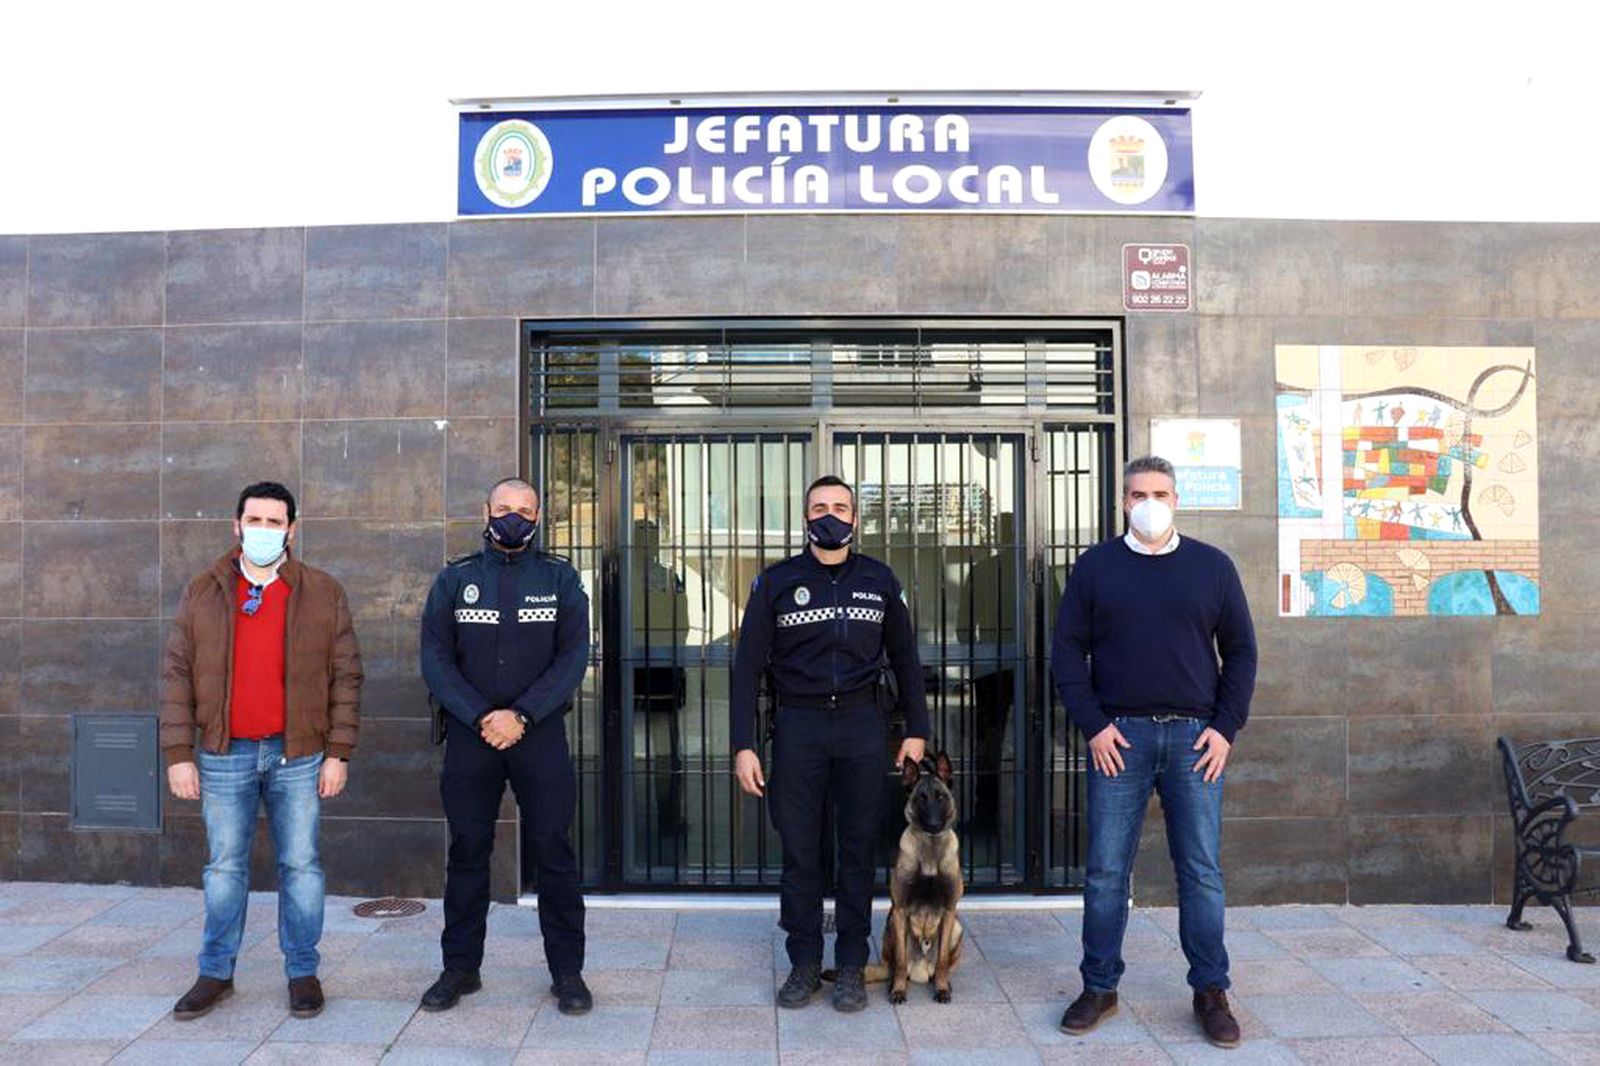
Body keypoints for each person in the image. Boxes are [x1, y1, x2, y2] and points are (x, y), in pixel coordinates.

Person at [1051, 455, 1257, 1049]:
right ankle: (1099, 987)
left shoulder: (1212, 567)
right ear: (1123, 502)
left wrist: (1225, 729)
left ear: (1176, 500)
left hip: (1196, 741)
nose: (1149, 504)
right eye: (1138, 494)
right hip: (1119, 739)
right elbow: (1067, 653)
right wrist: (1093, 726)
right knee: (1106, 872)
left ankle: (1211, 991)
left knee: (1201, 872)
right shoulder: (1095, 567)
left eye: (1160, 494)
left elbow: (1241, 652)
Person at [161, 481, 363, 1022]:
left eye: (275, 523)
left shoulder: (322, 591)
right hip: (224, 753)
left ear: (291, 531)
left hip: (299, 754)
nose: (264, 530)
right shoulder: (203, 590)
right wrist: (179, 753)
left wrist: (338, 752)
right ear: (236, 525)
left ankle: (302, 972)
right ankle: (215, 972)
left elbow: (346, 676)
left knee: (302, 866)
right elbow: (177, 673)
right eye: (255, 520)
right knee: (225, 868)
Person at [732, 474, 930, 1013]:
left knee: (857, 849)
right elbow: (746, 669)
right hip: (798, 727)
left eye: (840, 508)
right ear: (805, 518)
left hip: (863, 726)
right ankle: (803, 962)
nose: (830, 516)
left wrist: (917, 729)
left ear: (855, 519)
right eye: (819, 507)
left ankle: (849, 964)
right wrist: (743, 745)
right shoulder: (776, 583)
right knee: (800, 851)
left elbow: (906, 659)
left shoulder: (879, 580)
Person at [418, 477, 592, 1015]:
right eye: (503, 508)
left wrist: (521, 715)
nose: (513, 517)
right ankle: (460, 968)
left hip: (539, 737)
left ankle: (567, 973)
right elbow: (435, 658)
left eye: (525, 510)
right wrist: (479, 716)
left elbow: (573, 657)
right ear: (485, 512)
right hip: (471, 739)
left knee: (553, 851)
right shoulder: (456, 579)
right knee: (468, 851)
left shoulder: (560, 579)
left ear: (538, 517)